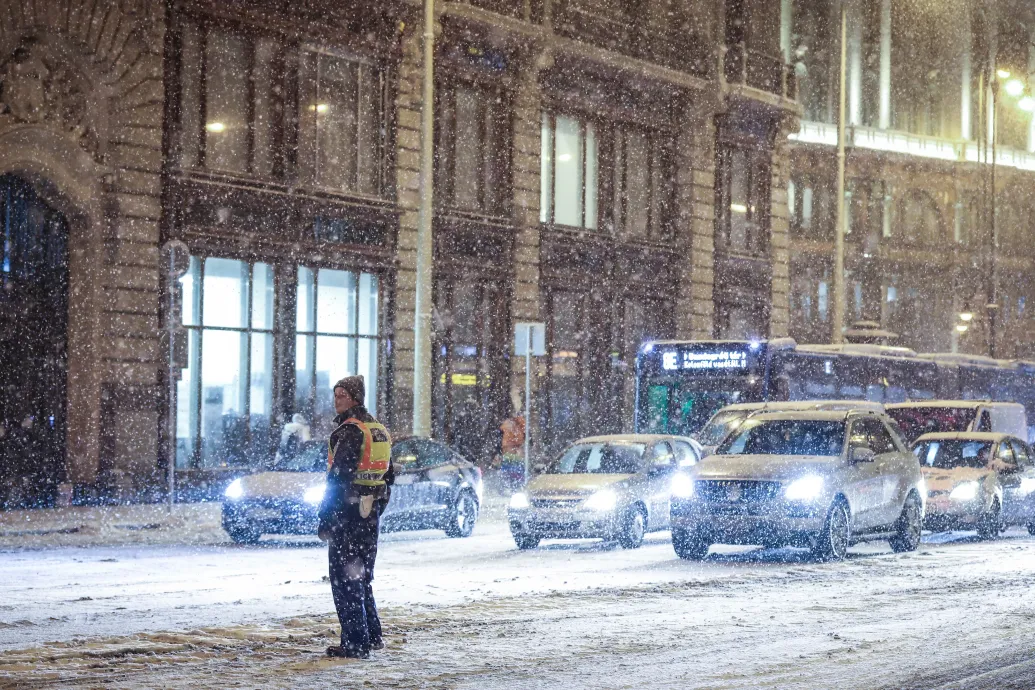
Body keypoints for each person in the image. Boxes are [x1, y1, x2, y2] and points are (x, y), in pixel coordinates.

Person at [317, 376, 394, 659]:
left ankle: (355, 643)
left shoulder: (349, 432)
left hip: (347, 515)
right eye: (335, 394)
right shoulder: (378, 430)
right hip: (369, 514)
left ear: (355, 398)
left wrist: (326, 516)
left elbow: (337, 479)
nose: (337, 400)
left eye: (342, 395)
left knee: (345, 579)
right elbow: (389, 477)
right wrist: (375, 507)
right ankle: (372, 636)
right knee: (362, 577)